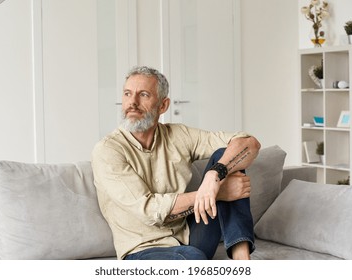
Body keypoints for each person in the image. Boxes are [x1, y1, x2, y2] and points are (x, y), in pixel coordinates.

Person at [91, 66, 261, 260]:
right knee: (192, 259)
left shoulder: (178, 135)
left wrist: (215, 175)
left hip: (189, 237)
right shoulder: (107, 150)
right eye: (127, 94)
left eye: (143, 95)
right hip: (142, 250)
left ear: (163, 106)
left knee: (226, 157)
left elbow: (249, 143)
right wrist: (217, 193)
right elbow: (149, 211)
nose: (132, 102)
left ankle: (243, 261)